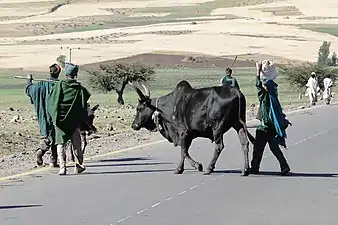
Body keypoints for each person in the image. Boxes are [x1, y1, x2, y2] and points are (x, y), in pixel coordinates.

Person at [47, 62, 91, 175]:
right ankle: (79, 165)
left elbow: (51, 102)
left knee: (60, 143)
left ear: (66, 74)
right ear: (75, 74)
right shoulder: (80, 89)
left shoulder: (59, 85)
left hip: (60, 121)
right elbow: (83, 105)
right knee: (76, 143)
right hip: (74, 122)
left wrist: (54, 117)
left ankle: (62, 167)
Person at [250, 61, 291, 176]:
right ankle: (284, 166)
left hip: (266, 125)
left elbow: (258, 85)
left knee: (258, 148)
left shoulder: (266, 93)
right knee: (274, 147)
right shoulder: (273, 90)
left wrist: (257, 72)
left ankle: (254, 167)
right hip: (273, 125)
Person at [25, 64, 61, 167]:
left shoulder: (40, 85)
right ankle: (53, 160)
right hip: (56, 116)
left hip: (43, 116)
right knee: (57, 137)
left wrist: (28, 80)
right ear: (58, 73)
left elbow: (29, 90)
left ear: (49, 72)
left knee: (46, 135)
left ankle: (42, 150)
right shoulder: (60, 85)